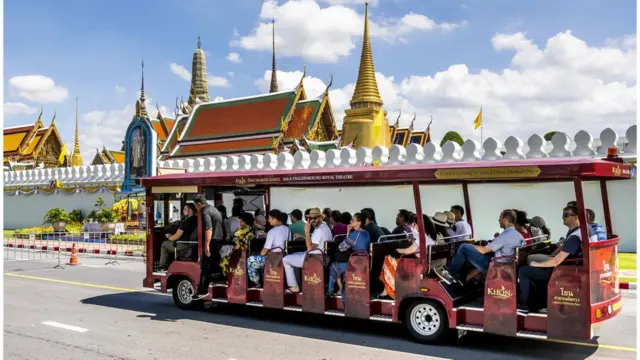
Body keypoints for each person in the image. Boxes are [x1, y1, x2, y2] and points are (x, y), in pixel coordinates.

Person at [518, 205, 584, 313]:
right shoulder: (579, 232)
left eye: (566, 215)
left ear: (576, 217)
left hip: (563, 271)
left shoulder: (575, 236)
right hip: (568, 267)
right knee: (532, 268)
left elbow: (557, 261)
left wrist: (537, 264)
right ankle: (541, 301)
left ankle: (530, 306)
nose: (563, 217)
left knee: (524, 271)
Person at [445, 210, 523, 285]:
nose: (498, 220)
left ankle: (450, 274)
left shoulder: (505, 236)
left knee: (463, 247)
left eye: (500, 218)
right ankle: (463, 278)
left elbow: (484, 250)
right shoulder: (519, 235)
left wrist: (472, 245)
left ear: (505, 220)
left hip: (496, 267)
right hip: (509, 265)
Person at [377, 214, 437, 299]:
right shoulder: (431, 236)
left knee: (388, 259)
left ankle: (390, 291)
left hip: (418, 265)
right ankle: (386, 290)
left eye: (415, 224)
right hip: (427, 263)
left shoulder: (421, 238)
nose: (413, 226)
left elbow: (408, 251)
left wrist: (398, 250)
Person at [283, 208, 332, 294]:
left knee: (286, 259)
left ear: (320, 218)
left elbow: (309, 247)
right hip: (323, 256)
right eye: (311, 218)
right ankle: (299, 283)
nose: (313, 220)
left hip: (314, 258)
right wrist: (304, 235)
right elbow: (313, 241)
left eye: (315, 218)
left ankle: (294, 287)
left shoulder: (319, 231)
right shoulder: (325, 227)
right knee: (295, 255)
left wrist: (307, 232)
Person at [326, 213, 371, 299]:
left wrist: (348, 234)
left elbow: (342, 247)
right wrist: (348, 233)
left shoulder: (354, 235)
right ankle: (340, 289)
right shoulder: (366, 233)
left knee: (333, 266)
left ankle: (331, 290)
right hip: (364, 261)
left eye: (353, 220)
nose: (350, 221)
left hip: (355, 263)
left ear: (359, 222)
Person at [193, 194, 225, 300]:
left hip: (213, 240)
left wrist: (206, 245)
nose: (195, 208)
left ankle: (202, 290)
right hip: (219, 239)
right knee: (215, 264)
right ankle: (216, 281)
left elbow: (208, 228)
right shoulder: (213, 209)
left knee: (205, 265)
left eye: (195, 206)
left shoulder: (205, 211)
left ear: (199, 204)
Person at [246, 210, 289, 287]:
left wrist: (260, 255)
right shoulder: (287, 229)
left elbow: (265, 249)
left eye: (269, 218)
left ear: (274, 219)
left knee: (250, 260)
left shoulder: (272, 231)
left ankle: (257, 283)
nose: (268, 220)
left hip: (273, 258)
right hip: (284, 256)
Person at [159, 203, 197, 271]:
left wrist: (169, 237)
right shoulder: (196, 220)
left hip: (183, 245)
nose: (183, 211)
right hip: (192, 245)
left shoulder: (186, 222)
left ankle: (163, 266)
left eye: (185, 209)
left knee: (164, 244)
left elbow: (176, 236)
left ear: (190, 211)